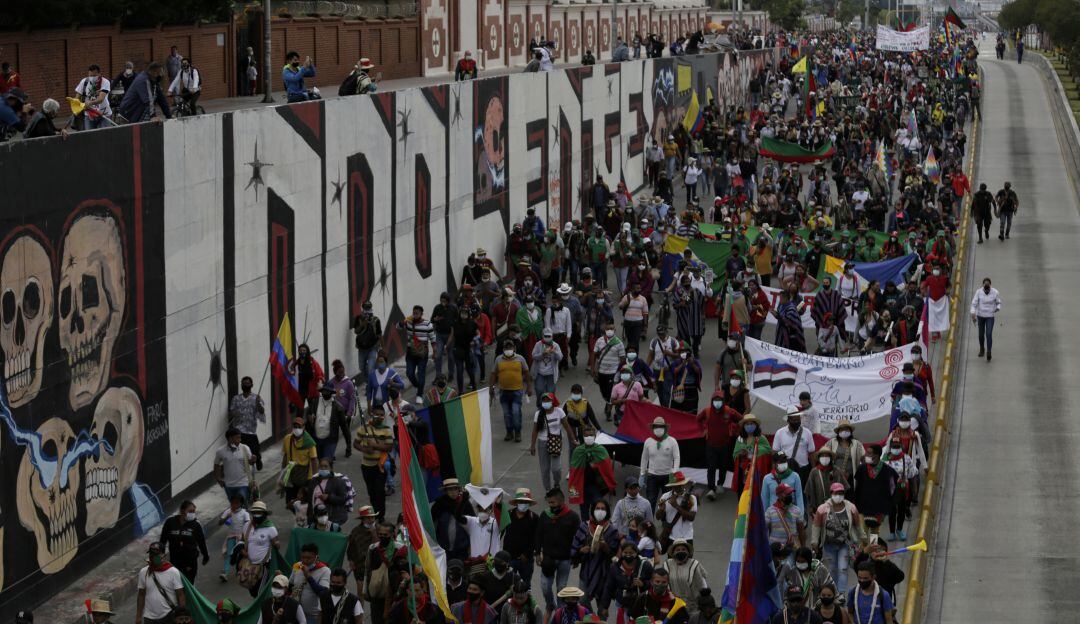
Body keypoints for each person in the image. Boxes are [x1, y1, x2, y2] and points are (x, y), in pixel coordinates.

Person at [811, 483, 862, 596]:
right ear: (831, 493)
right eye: (836, 493)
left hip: (845, 545)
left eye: (841, 493)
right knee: (832, 569)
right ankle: (833, 592)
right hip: (828, 545)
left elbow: (858, 525)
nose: (838, 495)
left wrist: (863, 539)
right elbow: (816, 526)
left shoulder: (851, 508)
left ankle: (841, 594)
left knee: (843, 569)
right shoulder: (822, 509)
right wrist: (814, 542)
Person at [571, 499, 622, 609]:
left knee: (602, 606)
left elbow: (614, 555)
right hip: (586, 570)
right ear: (593, 510)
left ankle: (600, 617)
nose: (600, 511)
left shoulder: (612, 530)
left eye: (603, 509)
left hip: (604, 572)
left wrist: (605, 547)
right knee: (582, 599)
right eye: (597, 508)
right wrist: (581, 550)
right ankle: (591, 617)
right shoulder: (584, 526)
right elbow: (574, 546)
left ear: (607, 512)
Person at [536, 488, 580, 614]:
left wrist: (576, 557)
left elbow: (578, 538)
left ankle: (560, 613)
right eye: (549, 503)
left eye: (553, 502)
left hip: (565, 560)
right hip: (548, 559)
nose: (551, 505)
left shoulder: (573, 517)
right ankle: (550, 605)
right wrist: (537, 553)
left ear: (561, 501)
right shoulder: (545, 515)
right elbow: (538, 534)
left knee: (561, 588)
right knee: (545, 587)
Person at [698, 390, 741, 500]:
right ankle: (711, 489)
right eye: (715, 400)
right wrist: (703, 429)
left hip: (725, 445)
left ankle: (720, 484)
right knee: (711, 467)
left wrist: (735, 429)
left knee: (723, 466)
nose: (717, 402)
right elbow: (698, 419)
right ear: (712, 401)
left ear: (723, 401)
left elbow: (740, 419)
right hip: (710, 445)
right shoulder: (707, 411)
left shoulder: (729, 411)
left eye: (719, 400)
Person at [355, 405, 394, 519]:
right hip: (366, 466)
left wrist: (375, 445)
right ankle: (376, 513)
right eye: (377, 414)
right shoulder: (363, 429)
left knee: (380, 491)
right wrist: (365, 449)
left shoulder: (386, 430)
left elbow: (389, 447)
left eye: (382, 415)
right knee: (371, 492)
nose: (380, 417)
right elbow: (356, 443)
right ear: (372, 414)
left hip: (380, 466)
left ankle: (380, 516)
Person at [492, 338, 534, 442]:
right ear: (503, 349)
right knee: (507, 414)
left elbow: (526, 372)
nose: (508, 349)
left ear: (514, 348)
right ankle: (509, 432)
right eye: (506, 347)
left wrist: (529, 386)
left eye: (510, 347)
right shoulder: (498, 360)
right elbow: (493, 374)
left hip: (517, 391)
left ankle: (518, 432)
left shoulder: (520, 359)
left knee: (515, 412)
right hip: (503, 391)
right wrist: (490, 388)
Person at [600, 540, 653, 621]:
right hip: (621, 604)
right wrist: (605, 607)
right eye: (625, 552)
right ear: (622, 553)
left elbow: (654, 583)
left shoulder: (645, 565)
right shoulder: (615, 567)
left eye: (631, 553)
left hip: (640, 605)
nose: (628, 555)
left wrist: (643, 584)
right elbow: (609, 587)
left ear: (636, 553)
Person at [531, 393, 575, 491]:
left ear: (552, 401)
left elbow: (567, 426)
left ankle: (556, 483)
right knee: (545, 469)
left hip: (556, 442)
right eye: (544, 400)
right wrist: (532, 445)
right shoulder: (538, 414)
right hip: (542, 443)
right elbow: (535, 431)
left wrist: (573, 439)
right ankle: (548, 489)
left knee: (556, 468)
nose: (545, 402)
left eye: (548, 400)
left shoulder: (559, 411)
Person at [136, 542, 187, 624]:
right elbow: (141, 595)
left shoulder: (173, 572)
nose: (153, 557)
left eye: (156, 554)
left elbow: (180, 594)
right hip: (149, 618)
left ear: (163, 555)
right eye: (151, 554)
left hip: (168, 616)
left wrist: (182, 615)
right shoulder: (143, 572)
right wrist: (138, 617)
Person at [160, 500, 210, 582]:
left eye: (193, 511)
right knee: (176, 584)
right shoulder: (170, 522)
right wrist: (161, 555)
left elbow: (201, 542)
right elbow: (162, 540)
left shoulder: (196, 525)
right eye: (190, 511)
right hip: (175, 561)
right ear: (182, 511)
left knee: (188, 585)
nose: (192, 514)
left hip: (190, 562)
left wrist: (206, 556)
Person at [853, 446, 898, 531]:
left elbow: (892, 490)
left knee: (874, 533)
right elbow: (857, 487)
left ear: (876, 455)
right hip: (863, 507)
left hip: (879, 509)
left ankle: (874, 539)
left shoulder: (888, 471)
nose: (865, 455)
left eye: (869, 453)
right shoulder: (861, 469)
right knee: (863, 533)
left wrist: (887, 507)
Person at [640, 417, 680, 508]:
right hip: (652, 476)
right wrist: (642, 474)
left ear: (665, 428)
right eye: (656, 426)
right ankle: (650, 518)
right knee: (650, 502)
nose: (658, 428)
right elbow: (644, 458)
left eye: (661, 426)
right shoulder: (648, 441)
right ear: (653, 428)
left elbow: (677, 457)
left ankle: (665, 518)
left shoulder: (672, 441)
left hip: (668, 476)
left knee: (668, 503)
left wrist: (675, 472)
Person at [661, 540, 708, 617]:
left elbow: (703, 584)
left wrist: (705, 600)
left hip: (693, 606)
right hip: (673, 606)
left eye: (683, 549)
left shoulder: (695, 564)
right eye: (678, 550)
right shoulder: (667, 564)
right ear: (673, 552)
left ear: (688, 552)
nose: (681, 551)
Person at [229, 375, 266, 470]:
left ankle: (258, 459)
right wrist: (234, 413)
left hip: (250, 430)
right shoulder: (236, 398)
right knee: (240, 450)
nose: (246, 385)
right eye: (244, 383)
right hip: (239, 429)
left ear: (251, 385)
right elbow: (231, 412)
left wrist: (258, 404)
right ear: (241, 385)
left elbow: (261, 412)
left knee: (254, 448)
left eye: (248, 383)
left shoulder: (256, 398)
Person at [431, 478, 473, 560]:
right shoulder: (439, 505)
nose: (453, 492)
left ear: (459, 490)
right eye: (450, 489)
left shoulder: (465, 504)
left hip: (462, 548)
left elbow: (473, 524)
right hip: (443, 549)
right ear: (446, 491)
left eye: (455, 489)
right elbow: (431, 523)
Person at [504, 488, 540, 584]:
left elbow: (536, 538)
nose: (523, 504)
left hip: (526, 560)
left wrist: (527, 554)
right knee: (508, 584)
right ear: (516, 503)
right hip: (510, 558)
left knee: (525, 585)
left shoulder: (534, 517)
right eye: (521, 502)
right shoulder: (508, 515)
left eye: (525, 502)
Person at [290, 542, 333, 620]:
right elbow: (291, 585)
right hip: (294, 613)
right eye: (303, 557)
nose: (305, 561)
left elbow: (324, 593)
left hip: (313, 616)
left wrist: (309, 577)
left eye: (309, 558)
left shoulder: (325, 571)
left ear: (316, 557)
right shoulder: (297, 566)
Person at [214, 427, 256, 504]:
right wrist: (218, 478)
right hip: (229, 485)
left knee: (241, 502)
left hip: (243, 483)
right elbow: (217, 465)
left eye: (240, 438)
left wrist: (253, 460)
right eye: (237, 438)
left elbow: (250, 462)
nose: (239, 440)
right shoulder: (220, 451)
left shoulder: (245, 448)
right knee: (234, 507)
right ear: (230, 438)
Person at [657, 472, 698, 549]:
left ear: (684, 484)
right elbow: (658, 517)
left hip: (687, 537)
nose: (679, 487)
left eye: (680, 484)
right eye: (676, 485)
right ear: (672, 486)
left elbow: (691, 517)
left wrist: (676, 506)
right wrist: (661, 510)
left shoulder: (692, 498)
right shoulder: (665, 497)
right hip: (670, 536)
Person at [400, 304, 435, 393]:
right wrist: (404, 321)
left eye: (417, 313)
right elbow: (398, 327)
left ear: (421, 314)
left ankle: (419, 394)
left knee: (421, 374)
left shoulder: (428, 324)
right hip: (410, 353)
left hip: (422, 353)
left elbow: (433, 339)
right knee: (409, 373)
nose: (415, 315)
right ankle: (416, 385)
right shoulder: (409, 322)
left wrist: (435, 352)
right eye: (414, 313)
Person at [803, 448, 849, 515]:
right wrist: (811, 506)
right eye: (822, 456)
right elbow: (809, 491)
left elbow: (845, 487)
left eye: (827, 456)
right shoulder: (814, 472)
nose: (825, 458)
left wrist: (839, 498)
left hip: (835, 507)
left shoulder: (836, 470)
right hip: (819, 507)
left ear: (830, 458)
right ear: (819, 458)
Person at [346, 506, 379, 592]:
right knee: (361, 591)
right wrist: (351, 560)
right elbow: (351, 547)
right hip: (359, 565)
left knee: (374, 591)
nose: (371, 520)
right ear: (363, 519)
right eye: (368, 518)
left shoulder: (380, 530)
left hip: (375, 565)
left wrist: (374, 533)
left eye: (373, 517)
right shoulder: (356, 531)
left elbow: (378, 546)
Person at [970, 277, 1002, 361]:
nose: (986, 291)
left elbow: (998, 302)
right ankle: (982, 348)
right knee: (981, 335)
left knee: (988, 334)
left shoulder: (995, 292)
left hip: (990, 316)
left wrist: (997, 308)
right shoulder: (978, 292)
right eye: (985, 288)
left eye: (988, 289)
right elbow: (974, 304)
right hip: (980, 316)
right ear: (983, 286)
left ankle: (989, 352)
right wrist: (973, 313)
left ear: (990, 286)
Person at [764, 483, 805, 548]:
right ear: (779, 495)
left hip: (792, 549)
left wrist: (803, 547)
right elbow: (763, 529)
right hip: (776, 550)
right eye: (787, 494)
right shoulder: (770, 511)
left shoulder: (797, 510)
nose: (790, 495)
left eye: (790, 493)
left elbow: (801, 531)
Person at [74, 64, 113, 130]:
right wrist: (77, 104)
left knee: (104, 134)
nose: (92, 78)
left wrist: (90, 103)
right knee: (90, 135)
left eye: (94, 76)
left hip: (103, 114)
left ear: (99, 74)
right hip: (89, 114)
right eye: (90, 76)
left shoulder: (105, 82)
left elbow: (100, 99)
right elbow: (77, 98)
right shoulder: (84, 82)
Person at [353, 301, 384, 381]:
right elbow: (356, 331)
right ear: (362, 309)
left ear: (371, 308)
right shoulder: (358, 318)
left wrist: (382, 348)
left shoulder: (376, 320)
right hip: (361, 348)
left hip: (372, 348)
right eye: (365, 308)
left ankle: (371, 384)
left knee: (370, 368)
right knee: (361, 367)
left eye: (368, 308)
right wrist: (362, 324)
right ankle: (368, 381)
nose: (367, 311)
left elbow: (379, 334)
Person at [532, 327, 564, 399]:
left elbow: (560, 358)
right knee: (539, 390)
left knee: (550, 392)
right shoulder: (538, 344)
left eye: (549, 336)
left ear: (552, 336)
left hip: (551, 373)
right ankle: (540, 405)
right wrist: (542, 354)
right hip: (540, 372)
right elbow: (534, 356)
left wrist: (555, 352)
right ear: (542, 336)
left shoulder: (555, 345)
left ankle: (549, 405)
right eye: (545, 336)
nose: (547, 338)